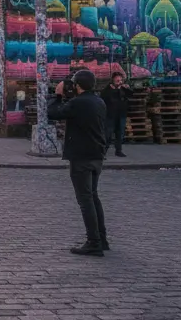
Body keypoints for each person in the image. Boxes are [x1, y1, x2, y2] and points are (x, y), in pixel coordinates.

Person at [49, 69, 109, 256]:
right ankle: (102, 238)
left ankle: (94, 242)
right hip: (96, 155)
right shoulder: (99, 101)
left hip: (81, 156)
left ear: (78, 85)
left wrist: (57, 95)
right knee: (93, 197)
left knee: (85, 200)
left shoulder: (79, 102)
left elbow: (53, 113)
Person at [99, 72, 131, 158]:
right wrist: (113, 89)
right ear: (113, 80)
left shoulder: (123, 89)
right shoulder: (107, 90)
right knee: (107, 134)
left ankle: (118, 150)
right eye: (117, 81)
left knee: (120, 133)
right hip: (110, 115)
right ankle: (103, 152)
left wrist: (127, 89)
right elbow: (103, 98)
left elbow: (131, 95)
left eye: (120, 80)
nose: (119, 82)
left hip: (121, 115)